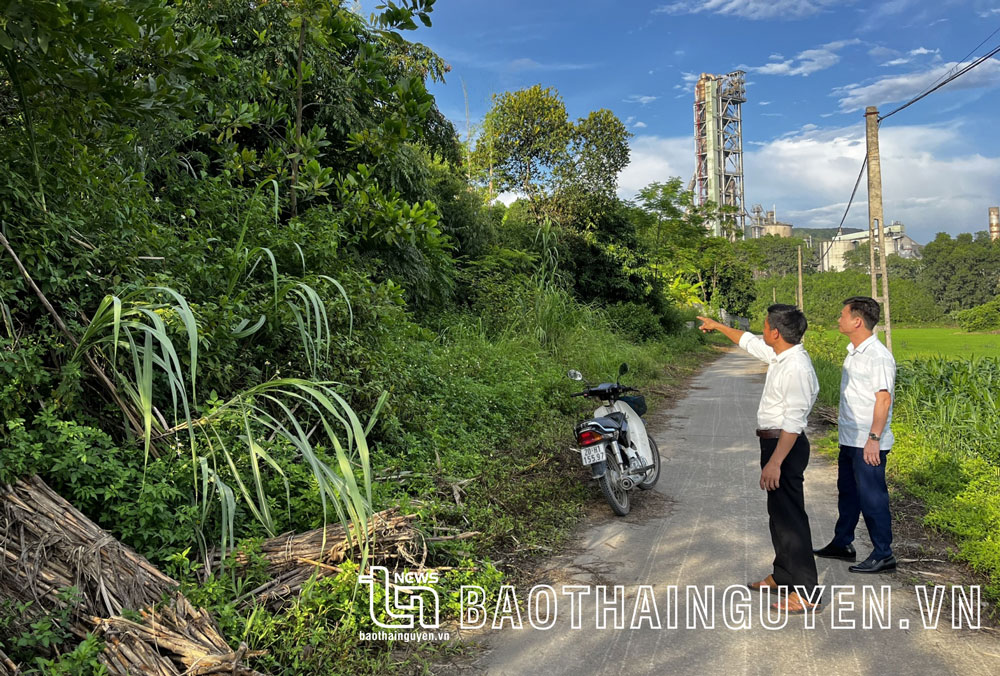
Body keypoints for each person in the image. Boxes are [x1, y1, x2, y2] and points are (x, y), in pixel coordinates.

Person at [697, 305, 821, 614]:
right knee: (778, 514)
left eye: (764, 326)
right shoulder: (781, 355)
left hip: (785, 447)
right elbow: (748, 341)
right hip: (775, 444)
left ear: (775, 333)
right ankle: (783, 576)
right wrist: (717, 326)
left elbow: (794, 423)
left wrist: (776, 462)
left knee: (791, 519)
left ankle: (806, 592)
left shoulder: (796, 368)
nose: (761, 331)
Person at [813, 296, 897, 573]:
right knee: (848, 493)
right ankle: (842, 543)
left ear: (857, 321)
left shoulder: (878, 356)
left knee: (872, 498)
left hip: (867, 442)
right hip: (850, 439)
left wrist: (873, 440)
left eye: (842, 315)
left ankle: (883, 553)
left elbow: (883, 400)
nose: (839, 319)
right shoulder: (854, 351)